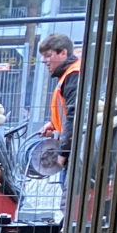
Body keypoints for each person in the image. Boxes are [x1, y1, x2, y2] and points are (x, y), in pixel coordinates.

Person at [39, 32, 82, 167]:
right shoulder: (68, 74)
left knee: (70, 186)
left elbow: (74, 116)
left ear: (63, 53)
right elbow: (66, 109)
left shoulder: (73, 75)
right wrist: (53, 123)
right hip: (74, 146)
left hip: (76, 150)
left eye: (48, 55)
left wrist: (63, 152)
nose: (44, 61)